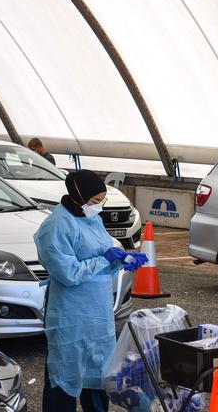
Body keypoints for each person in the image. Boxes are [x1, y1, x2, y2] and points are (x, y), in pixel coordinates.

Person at [34, 169, 147, 412]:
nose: (99, 206)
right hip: (71, 313)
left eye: (102, 201)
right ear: (78, 196)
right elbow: (68, 273)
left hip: (97, 314)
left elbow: (100, 253)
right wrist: (105, 259)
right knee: (65, 372)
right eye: (96, 201)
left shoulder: (91, 217)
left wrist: (122, 259)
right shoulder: (55, 226)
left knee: (97, 372)